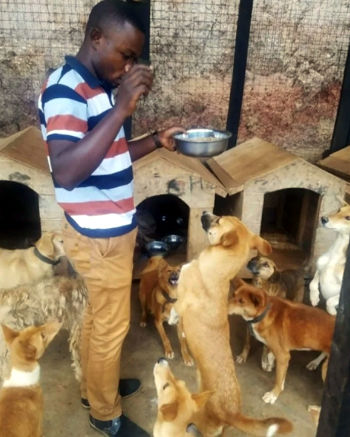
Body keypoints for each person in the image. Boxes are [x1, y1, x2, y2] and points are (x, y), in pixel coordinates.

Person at [38, 1, 183, 436]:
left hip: (109, 234)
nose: (129, 66)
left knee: (96, 322)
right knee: (109, 329)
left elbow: (107, 155)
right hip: (97, 239)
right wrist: (121, 108)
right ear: (96, 39)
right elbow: (66, 170)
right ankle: (105, 414)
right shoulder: (66, 91)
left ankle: (93, 387)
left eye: (135, 58)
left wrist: (155, 141)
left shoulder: (97, 87)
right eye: (126, 55)